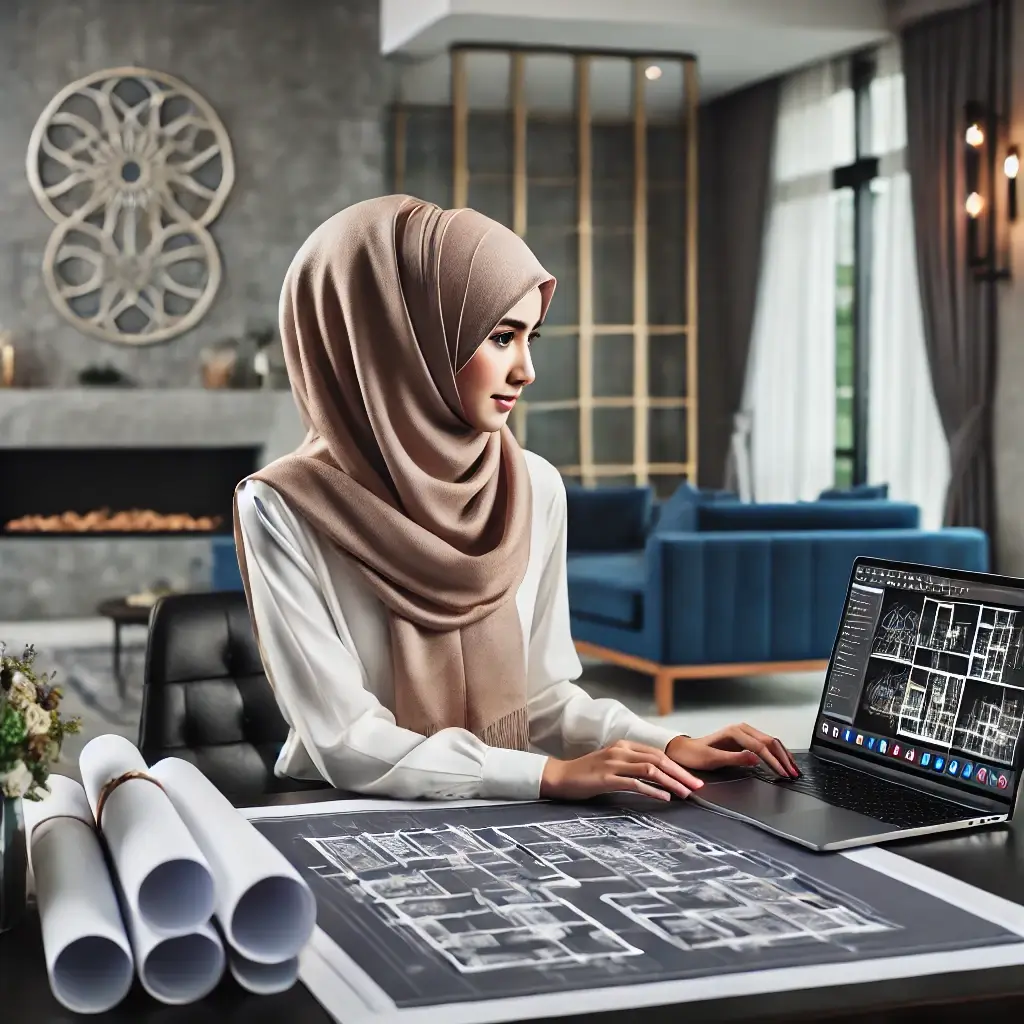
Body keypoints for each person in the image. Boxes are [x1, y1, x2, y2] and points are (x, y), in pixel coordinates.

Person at [232, 194, 798, 804]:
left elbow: (543, 698)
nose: (527, 370)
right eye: (501, 337)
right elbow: (344, 740)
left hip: (500, 808)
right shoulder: (283, 505)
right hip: (346, 813)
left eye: (530, 337)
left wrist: (664, 744)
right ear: (404, 343)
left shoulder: (533, 487)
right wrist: (544, 775)